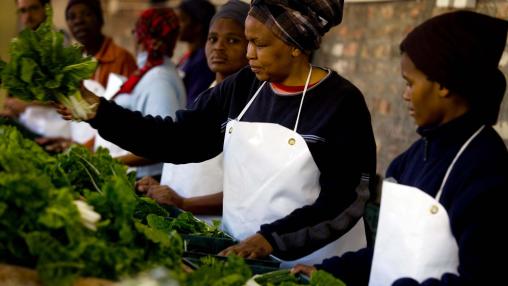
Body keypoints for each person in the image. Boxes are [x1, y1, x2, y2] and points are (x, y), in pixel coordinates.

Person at [59, 0, 376, 267]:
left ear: (297, 47)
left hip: (314, 267)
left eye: (260, 44)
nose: (249, 53)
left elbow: (348, 198)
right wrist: (97, 110)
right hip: (242, 256)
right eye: (248, 41)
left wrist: (272, 238)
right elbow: (177, 139)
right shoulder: (242, 88)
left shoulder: (340, 104)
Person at [292, 10, 508, 286]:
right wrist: (332, 271)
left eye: (410, 83)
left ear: (442, 84)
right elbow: (390, 254)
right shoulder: (412, 159)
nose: (405, 95)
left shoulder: (486, 169)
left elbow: (482, 276)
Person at [135, 0, 249, 222]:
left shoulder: (253, 105)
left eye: (233, 40)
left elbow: (252, 194)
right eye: (212, 39)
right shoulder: (208, 94)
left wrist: (184, 203)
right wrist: (162, 187)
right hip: (186, 226)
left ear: (253, 46)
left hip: (217, 234)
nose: (218, 47)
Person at [94, 7, 186, 180]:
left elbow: (162, 144)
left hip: (148, 180)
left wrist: (112, 162)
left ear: (142, 37)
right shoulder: (151, 73)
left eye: (136, 31)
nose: (134, 36)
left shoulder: (159, 80)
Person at [1, 0, 72, 139]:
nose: (28, 16)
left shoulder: (59, 43)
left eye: (33, 9)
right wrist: (10, 109)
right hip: (27, 122)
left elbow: (67, 97)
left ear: (46, 9)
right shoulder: (21, 45)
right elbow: (15, 91)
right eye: (23, 11)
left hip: (53, 129)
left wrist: (26, 104)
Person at [176, 0, 216, 108]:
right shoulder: (188, 57)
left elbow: (194, 103)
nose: (176, 25)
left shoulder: (203, 61)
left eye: (182, 20)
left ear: (197, 25)